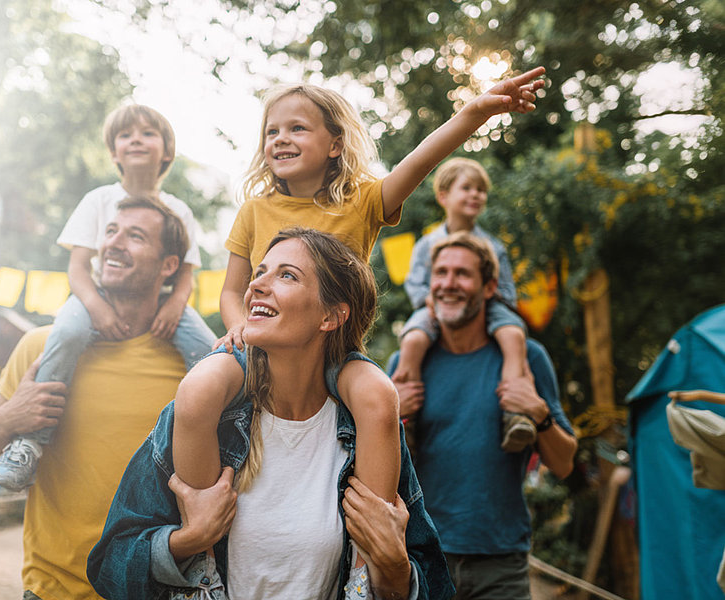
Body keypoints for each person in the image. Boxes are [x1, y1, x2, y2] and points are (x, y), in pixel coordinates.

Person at [189, 68, 545, 569]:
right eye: (272, 130)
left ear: (335, 144)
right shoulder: (255, 210)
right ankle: (197, 547)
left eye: (296, 128)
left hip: (334, 355)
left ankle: (366, 562)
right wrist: (239, 331)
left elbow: (425, 158)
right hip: (261, 350)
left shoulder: (362, 202)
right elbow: (232, 290)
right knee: (199, 387)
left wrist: (476, 112)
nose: (280, 139)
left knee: (380, 397)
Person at [87, 228, 454, 600]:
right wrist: (187, 541)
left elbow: (435, 586)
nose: (257, 285)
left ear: (330, 316)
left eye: (287, 275)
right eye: (259, 272)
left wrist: (394, 568)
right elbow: (108, 568)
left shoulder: (366, 428)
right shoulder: (209, 414)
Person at [0, 196, 192, 600]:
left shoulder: (193, 372)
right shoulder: (42, 347)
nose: (114, 243)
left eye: (135, 236)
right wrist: (7, 420)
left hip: (148, 588)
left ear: (169, 265)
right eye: (111, 232)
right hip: (52, 590)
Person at [0, 103, 215, 491]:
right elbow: (78, 268)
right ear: (113, 153)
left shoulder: (179, 210)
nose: (136, 140)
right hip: (95, 293)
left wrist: (175, 306)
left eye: (147, 133)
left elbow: (186, 274)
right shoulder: (98, 200)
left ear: (167, 151)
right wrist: (96, 308)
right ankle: (29, 443)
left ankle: (216, 440)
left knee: (212, 356)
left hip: (161, 301)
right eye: (125, 135)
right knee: (68, 333)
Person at [392, 232, 577, 600]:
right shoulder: (404, 367)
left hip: (501, 564)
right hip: (422, 560)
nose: (448, 283)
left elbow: (565, 464)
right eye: (440, 273)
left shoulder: (529, 360)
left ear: (490, 286)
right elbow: (373, 467)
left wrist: (539, 414)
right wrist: (390, 418)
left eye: (462, 274)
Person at [392, 157, 536, 453]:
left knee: (513, 335)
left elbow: (506, 289)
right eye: (467, 188)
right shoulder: (426, 244)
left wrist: (484, 300)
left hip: (487, 305)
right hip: (432, 306)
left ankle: (515, 415)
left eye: (481, 190)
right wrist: (429, 299)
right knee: (413, 340)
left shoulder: (494, 247)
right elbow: (414, 282)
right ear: (444, 196)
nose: (475, 195)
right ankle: (406, 418)